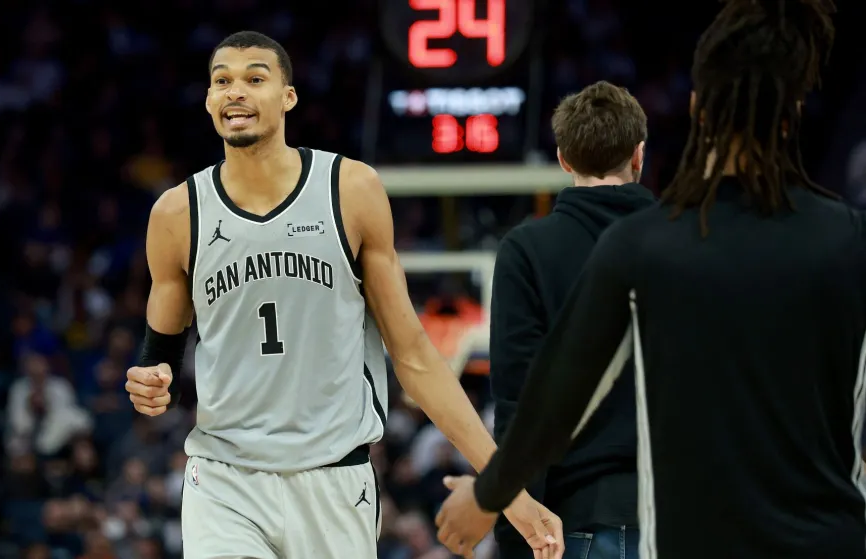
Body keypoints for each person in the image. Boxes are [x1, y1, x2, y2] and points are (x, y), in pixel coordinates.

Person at [435, 1, 864, 558]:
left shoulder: (649, 244)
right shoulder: (849, 239)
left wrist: (487, 496)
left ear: (697, 110)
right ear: (795, 113)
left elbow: (554, 399)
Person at [122, 30, 558, 559]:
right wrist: (151, 380)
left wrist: (503, 484)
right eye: (223, 81)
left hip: (334, 480)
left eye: (255, 79)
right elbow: (158, 354)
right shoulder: (175, 213)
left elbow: (415, 358)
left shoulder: (350, 189)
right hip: (224, 479)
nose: (236, 91)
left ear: (288, 97)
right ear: (210, 101)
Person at [489, 81, 653, 559]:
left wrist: (514, 532)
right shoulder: (691, 242)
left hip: (571, 521)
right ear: (639, 155)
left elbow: (521, 404)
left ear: (563, 159)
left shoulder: (527, 251)